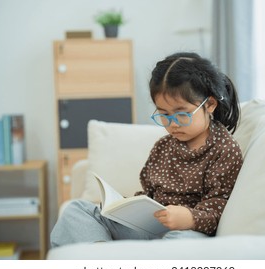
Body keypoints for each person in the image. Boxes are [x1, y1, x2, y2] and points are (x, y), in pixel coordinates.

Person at [50, 52, 243, 247]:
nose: (172, 124)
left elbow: (219, 207)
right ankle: (104, 259)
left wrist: (189, 218)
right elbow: (148, 196)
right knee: (77, 210)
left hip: (187, 232)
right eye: (164, 115)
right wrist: (125, 207)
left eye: (181, 114)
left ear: (209, 104)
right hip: (149, 229)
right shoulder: (163, 146)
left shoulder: (224, 150)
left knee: (178, 242)